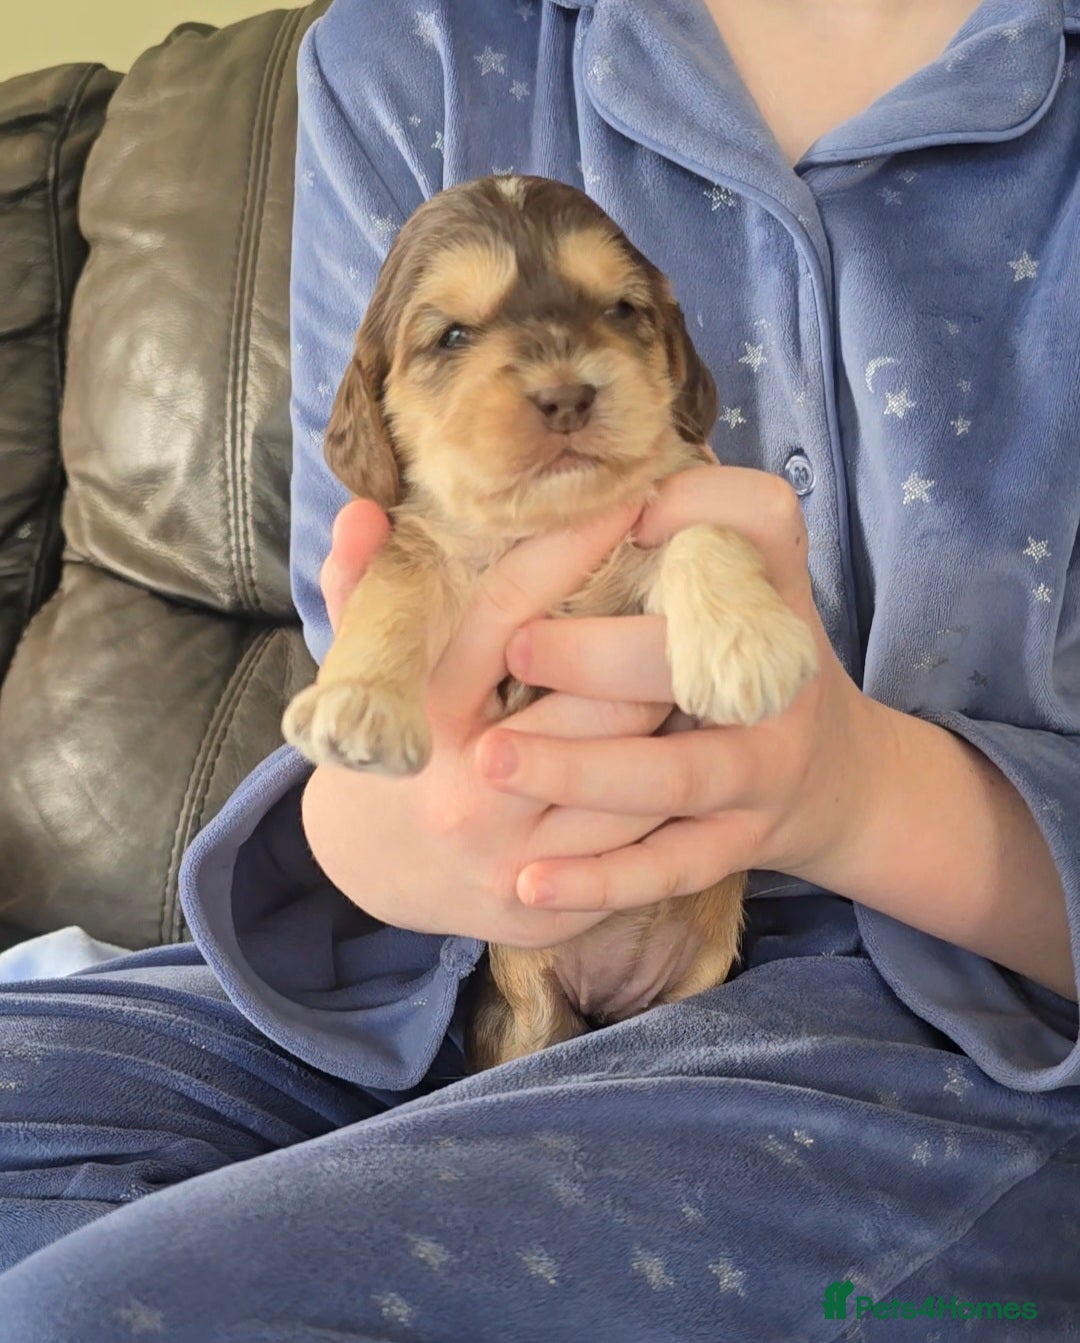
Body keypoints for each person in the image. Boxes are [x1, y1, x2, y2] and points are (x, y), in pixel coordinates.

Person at [1, 0, 1078, 1337]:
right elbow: (374, 637)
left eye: (616, 316)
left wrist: (852, 795)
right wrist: (383, 826)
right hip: (415, 973)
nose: (558, 376)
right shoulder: (413, 50)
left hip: (962, 1018)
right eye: (455, 338)